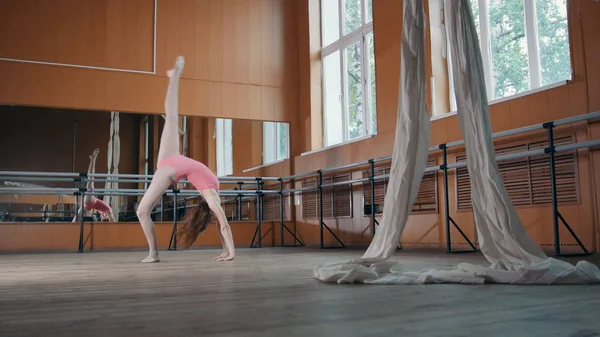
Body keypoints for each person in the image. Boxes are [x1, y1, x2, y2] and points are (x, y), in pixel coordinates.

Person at [136, 56, 235, 263]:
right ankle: (153, 254)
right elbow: (223, 223)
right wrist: (230, 252)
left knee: (172, 116)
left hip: (174, 160)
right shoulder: (210, 194)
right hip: (170, 166)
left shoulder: (213, 188)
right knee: (142, 212)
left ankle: (175, 78)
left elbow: (221, 224)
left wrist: (227, 251)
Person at [72, 148, 116, 223]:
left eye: (102, 219)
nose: (103, 217)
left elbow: (110, 220)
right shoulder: (108, 210)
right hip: (91, 202)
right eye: (104, 218)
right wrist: (110, 220)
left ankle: (93, 158)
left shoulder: (104, 211)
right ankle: (93, 159)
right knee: (91, 179)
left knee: (91, 179)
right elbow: (113, 221)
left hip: (89, 203)